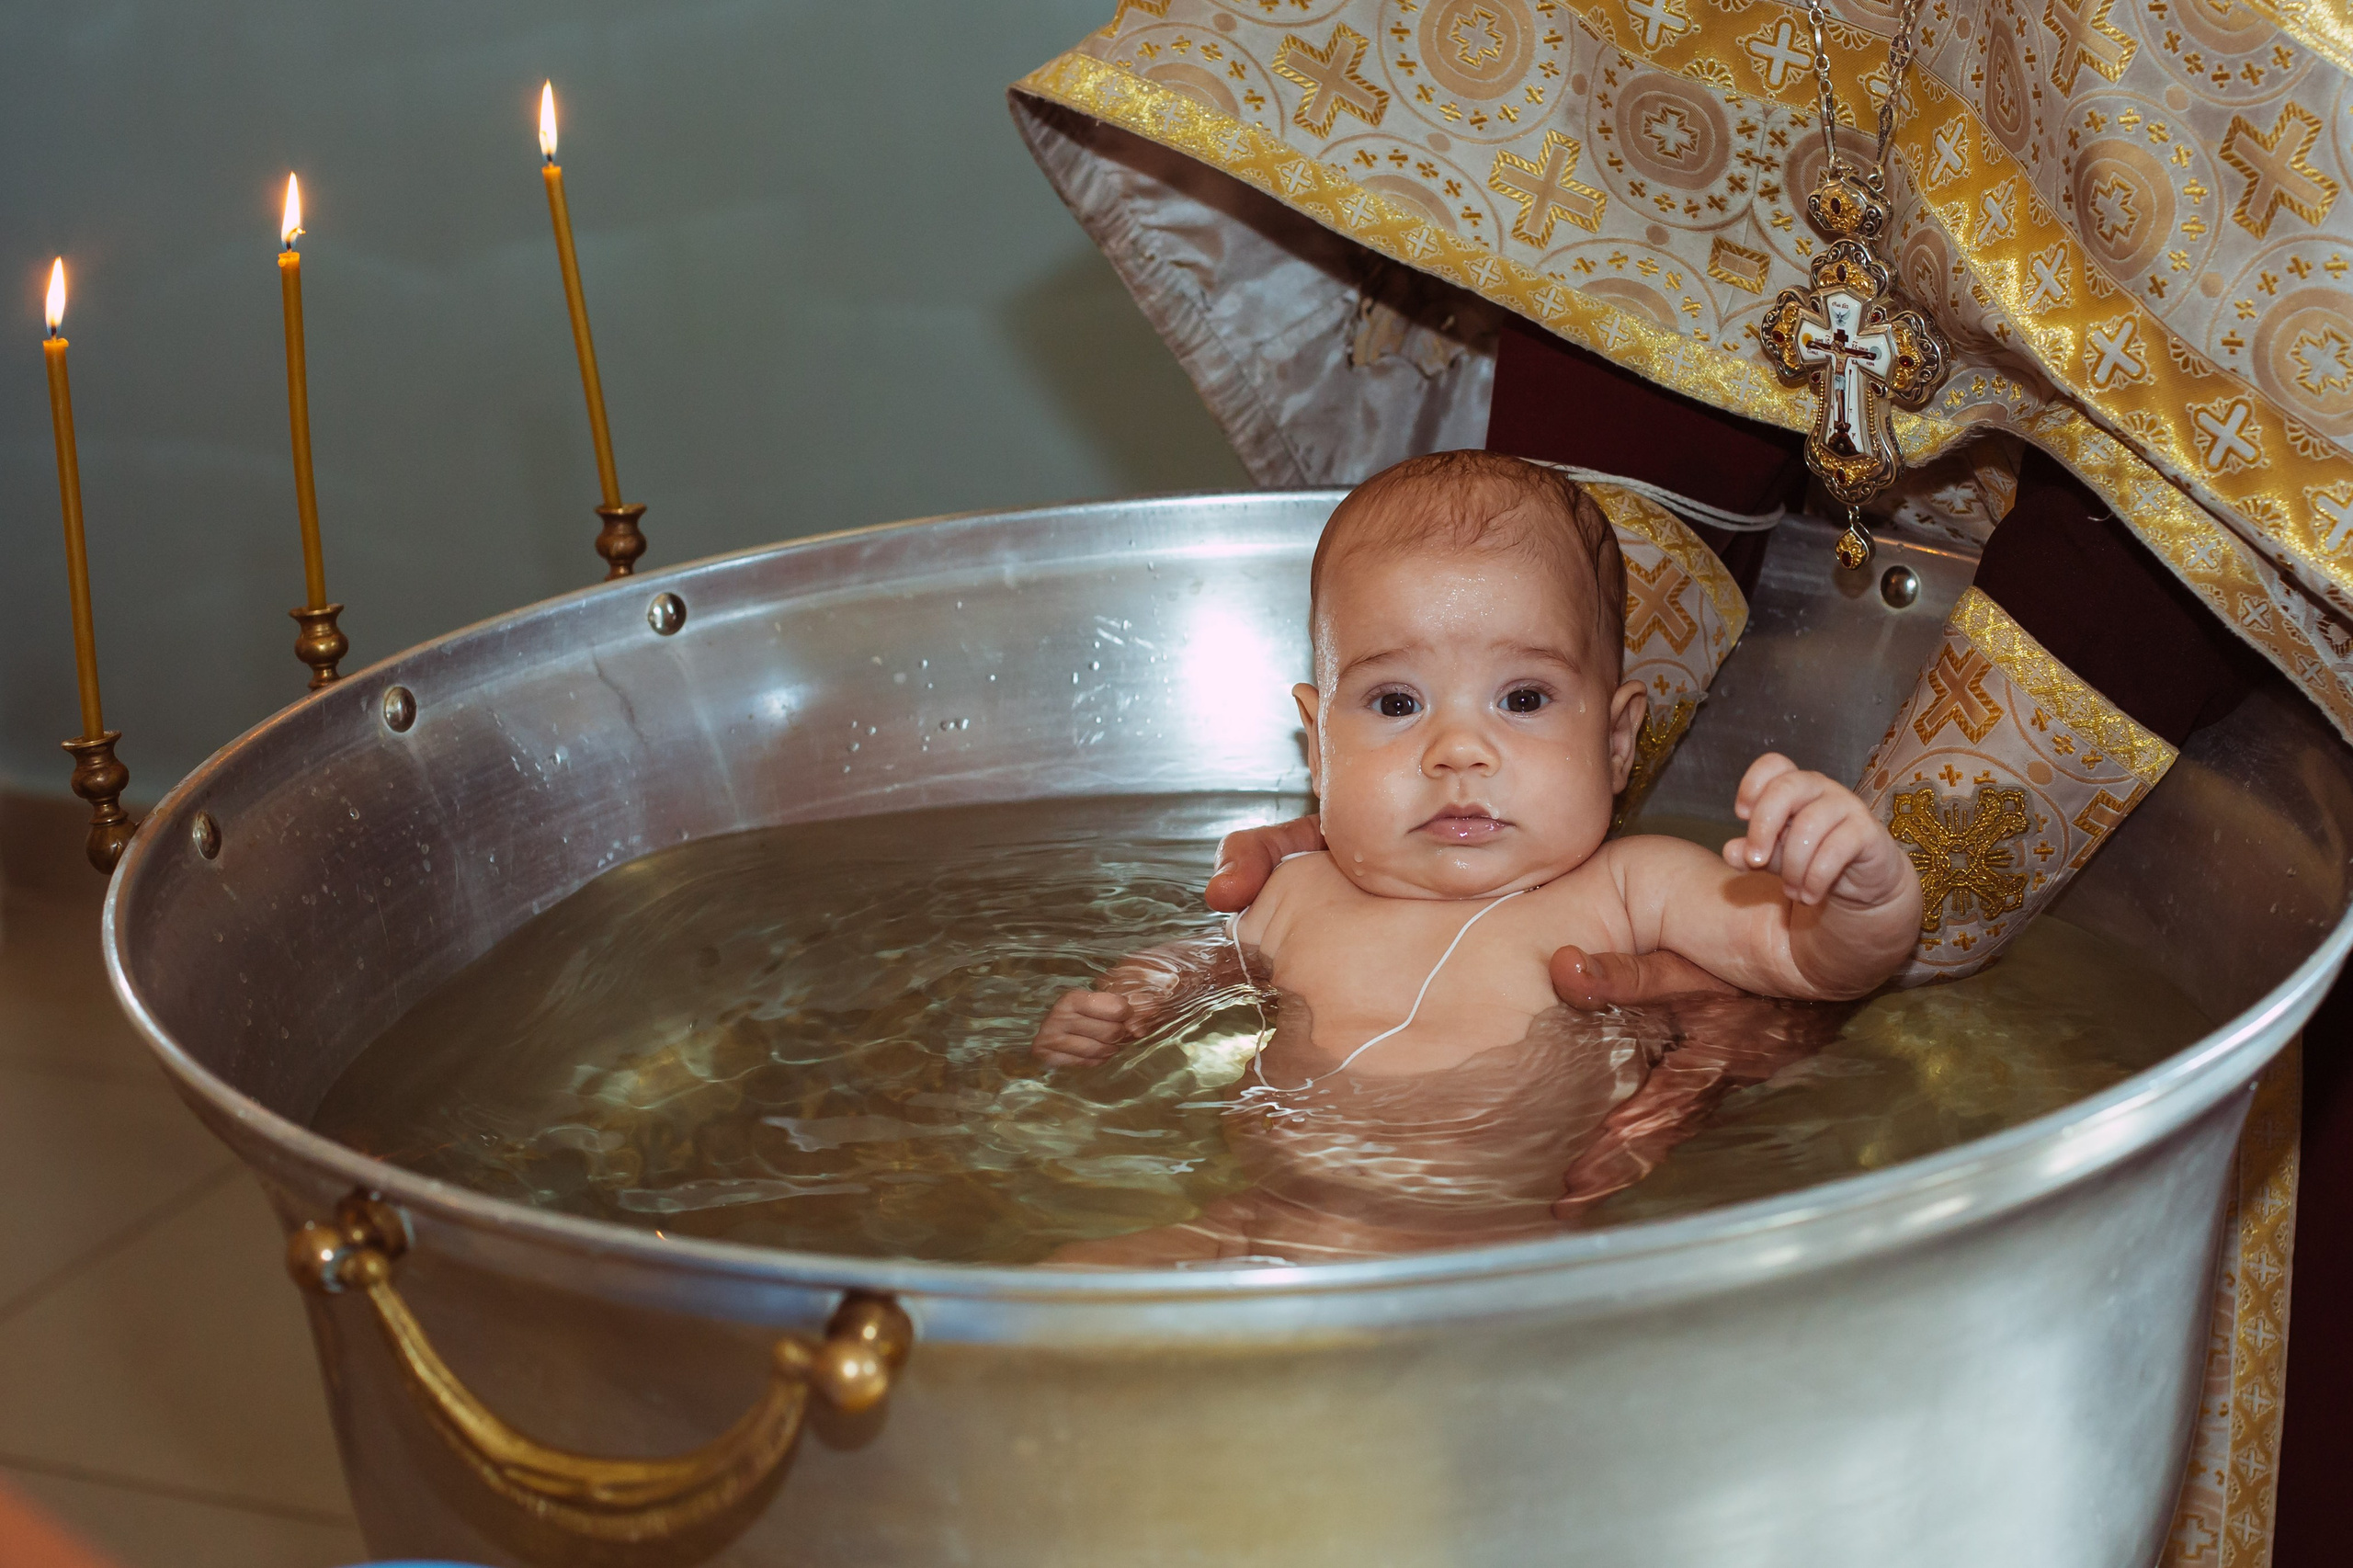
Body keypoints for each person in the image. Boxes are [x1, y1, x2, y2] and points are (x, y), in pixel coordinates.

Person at [1030, 451, 1915, 1262]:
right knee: (1063, 1295)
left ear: (1616, 743)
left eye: (1523, 697)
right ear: (1316, 745)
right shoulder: (1298, 889)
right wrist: (1129, 999)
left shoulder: (1629, 889)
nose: (1458, 749)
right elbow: (1209, 966)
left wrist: (1858, 897)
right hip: (1259, 1223)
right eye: (1396, 702)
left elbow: (1809, 960)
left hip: (1498, 1256)